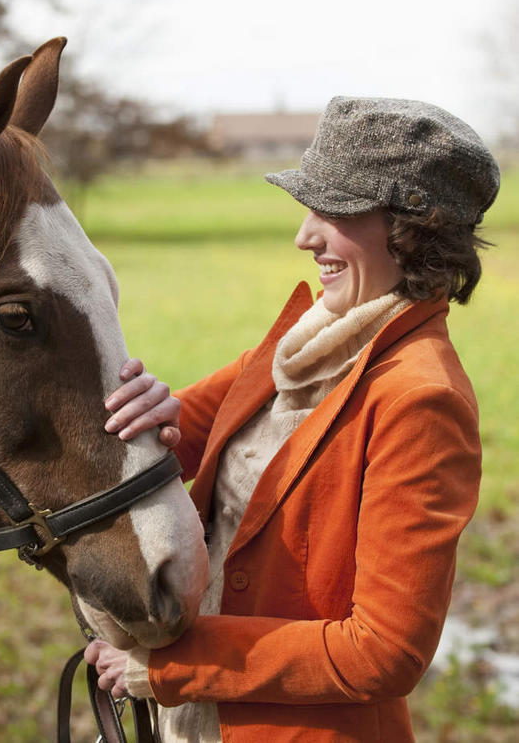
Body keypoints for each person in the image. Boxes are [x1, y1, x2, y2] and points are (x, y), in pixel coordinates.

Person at [84, 96, 500, 742]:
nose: (304, 235)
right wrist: (147, 415)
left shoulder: (422, 399)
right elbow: (175, 430)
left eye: (332, 210)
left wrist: (174, 662)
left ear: (408, 228)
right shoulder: (301, 343)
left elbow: (383, 650)